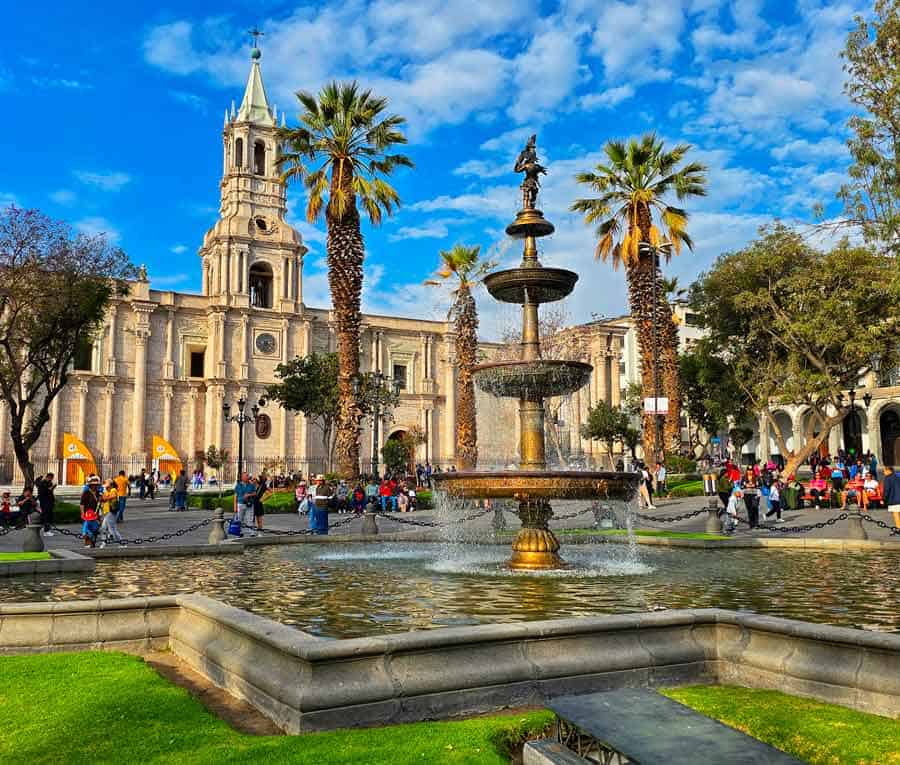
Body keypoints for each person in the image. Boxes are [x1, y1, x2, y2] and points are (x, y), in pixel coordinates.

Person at [99, 479, 125, 547]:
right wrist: (103, 493)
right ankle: (104, 542)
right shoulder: (108, 491)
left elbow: (108, 498)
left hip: (111, 512)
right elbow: (103, 499)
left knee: (112, 529)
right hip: (107, 512)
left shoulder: (113, 490)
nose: (105, 483)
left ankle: (121, 543)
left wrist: (104, 493)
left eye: (106, 482)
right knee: (103, 528)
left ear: (111, 484)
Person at [234, 472, 257, 538]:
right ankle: (239, 532)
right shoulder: (238, 485)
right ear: (242, 478)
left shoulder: (251, 485)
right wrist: (235, 506)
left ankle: (252, 532)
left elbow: (255, 493)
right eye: (246, 476)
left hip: (249, 504)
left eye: (247, 476)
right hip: (240, 504)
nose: (247, 477)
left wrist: (249, 495)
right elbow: (235, 496)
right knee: (240, 519)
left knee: (250, 518)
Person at [80, 477, 102, 547]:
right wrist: (82, 513)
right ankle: (87, 543)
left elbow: (101, 503)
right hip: (87, 514)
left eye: (96, 485)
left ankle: (92, 543)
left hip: (96, 514)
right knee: (86, 527)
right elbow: (82, 504)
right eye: (93, 485)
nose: (95, 486)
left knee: (95, 529)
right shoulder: (86, 493)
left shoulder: (98, 493)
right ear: (90, 485)